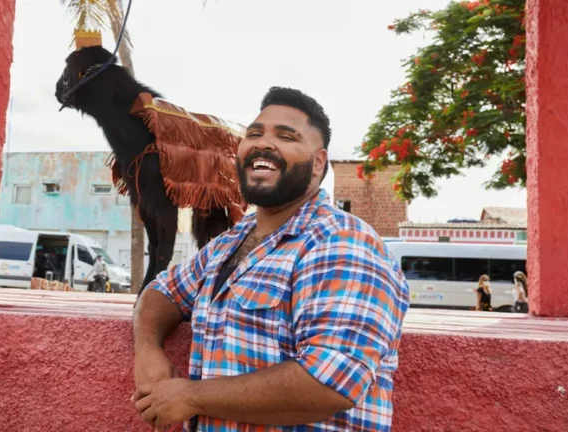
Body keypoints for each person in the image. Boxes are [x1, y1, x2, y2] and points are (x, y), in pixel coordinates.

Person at [131, 86, 410, 431]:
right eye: (254, 134)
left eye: (286, 136)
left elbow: (332, 382)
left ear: (318, 162)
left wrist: (191, 397)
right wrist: (148, 351)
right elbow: (163, 292)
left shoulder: (343, 243)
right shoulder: (232, 241)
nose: (263, 143)